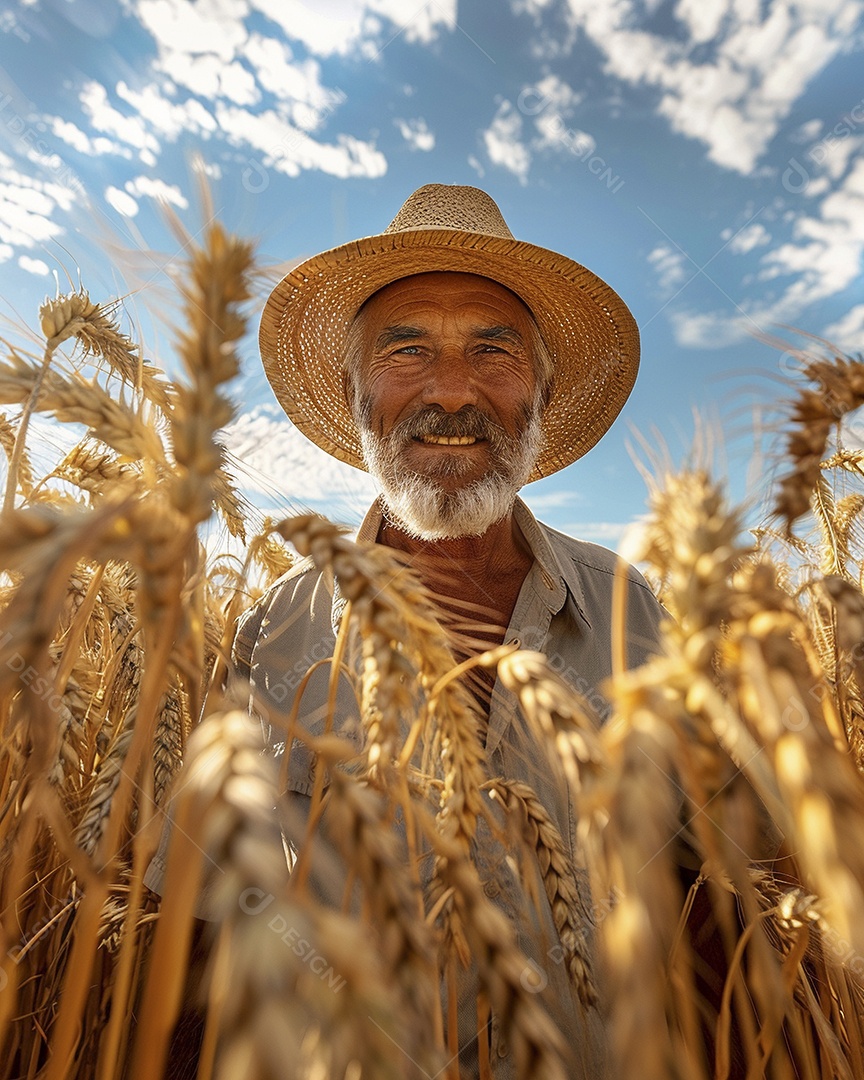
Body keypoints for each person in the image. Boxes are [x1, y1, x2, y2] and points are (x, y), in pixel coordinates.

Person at [146, 183, 668, 1077]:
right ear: (354, 390)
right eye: (407, 347)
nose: (453, 390)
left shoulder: (630, 612)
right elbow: (202, 912)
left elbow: (703, 893)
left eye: (494, 349)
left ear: (542, 387)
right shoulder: (276, 631)